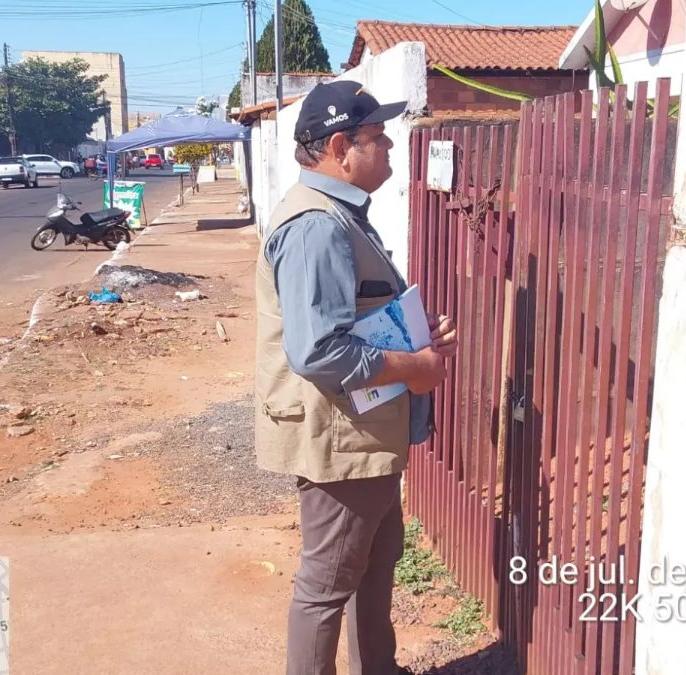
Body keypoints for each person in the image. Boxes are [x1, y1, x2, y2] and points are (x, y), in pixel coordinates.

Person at [254, 80, 458, 675]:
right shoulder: (317, 226)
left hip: (364, 433)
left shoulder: (339, 216)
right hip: (341, 438)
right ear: (340, 147)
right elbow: (317, 350)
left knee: (373, 565)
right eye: (377, 136)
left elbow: (351, 319)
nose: (390, 144)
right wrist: (415, 368)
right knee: (328, 584)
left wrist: (414, 335)